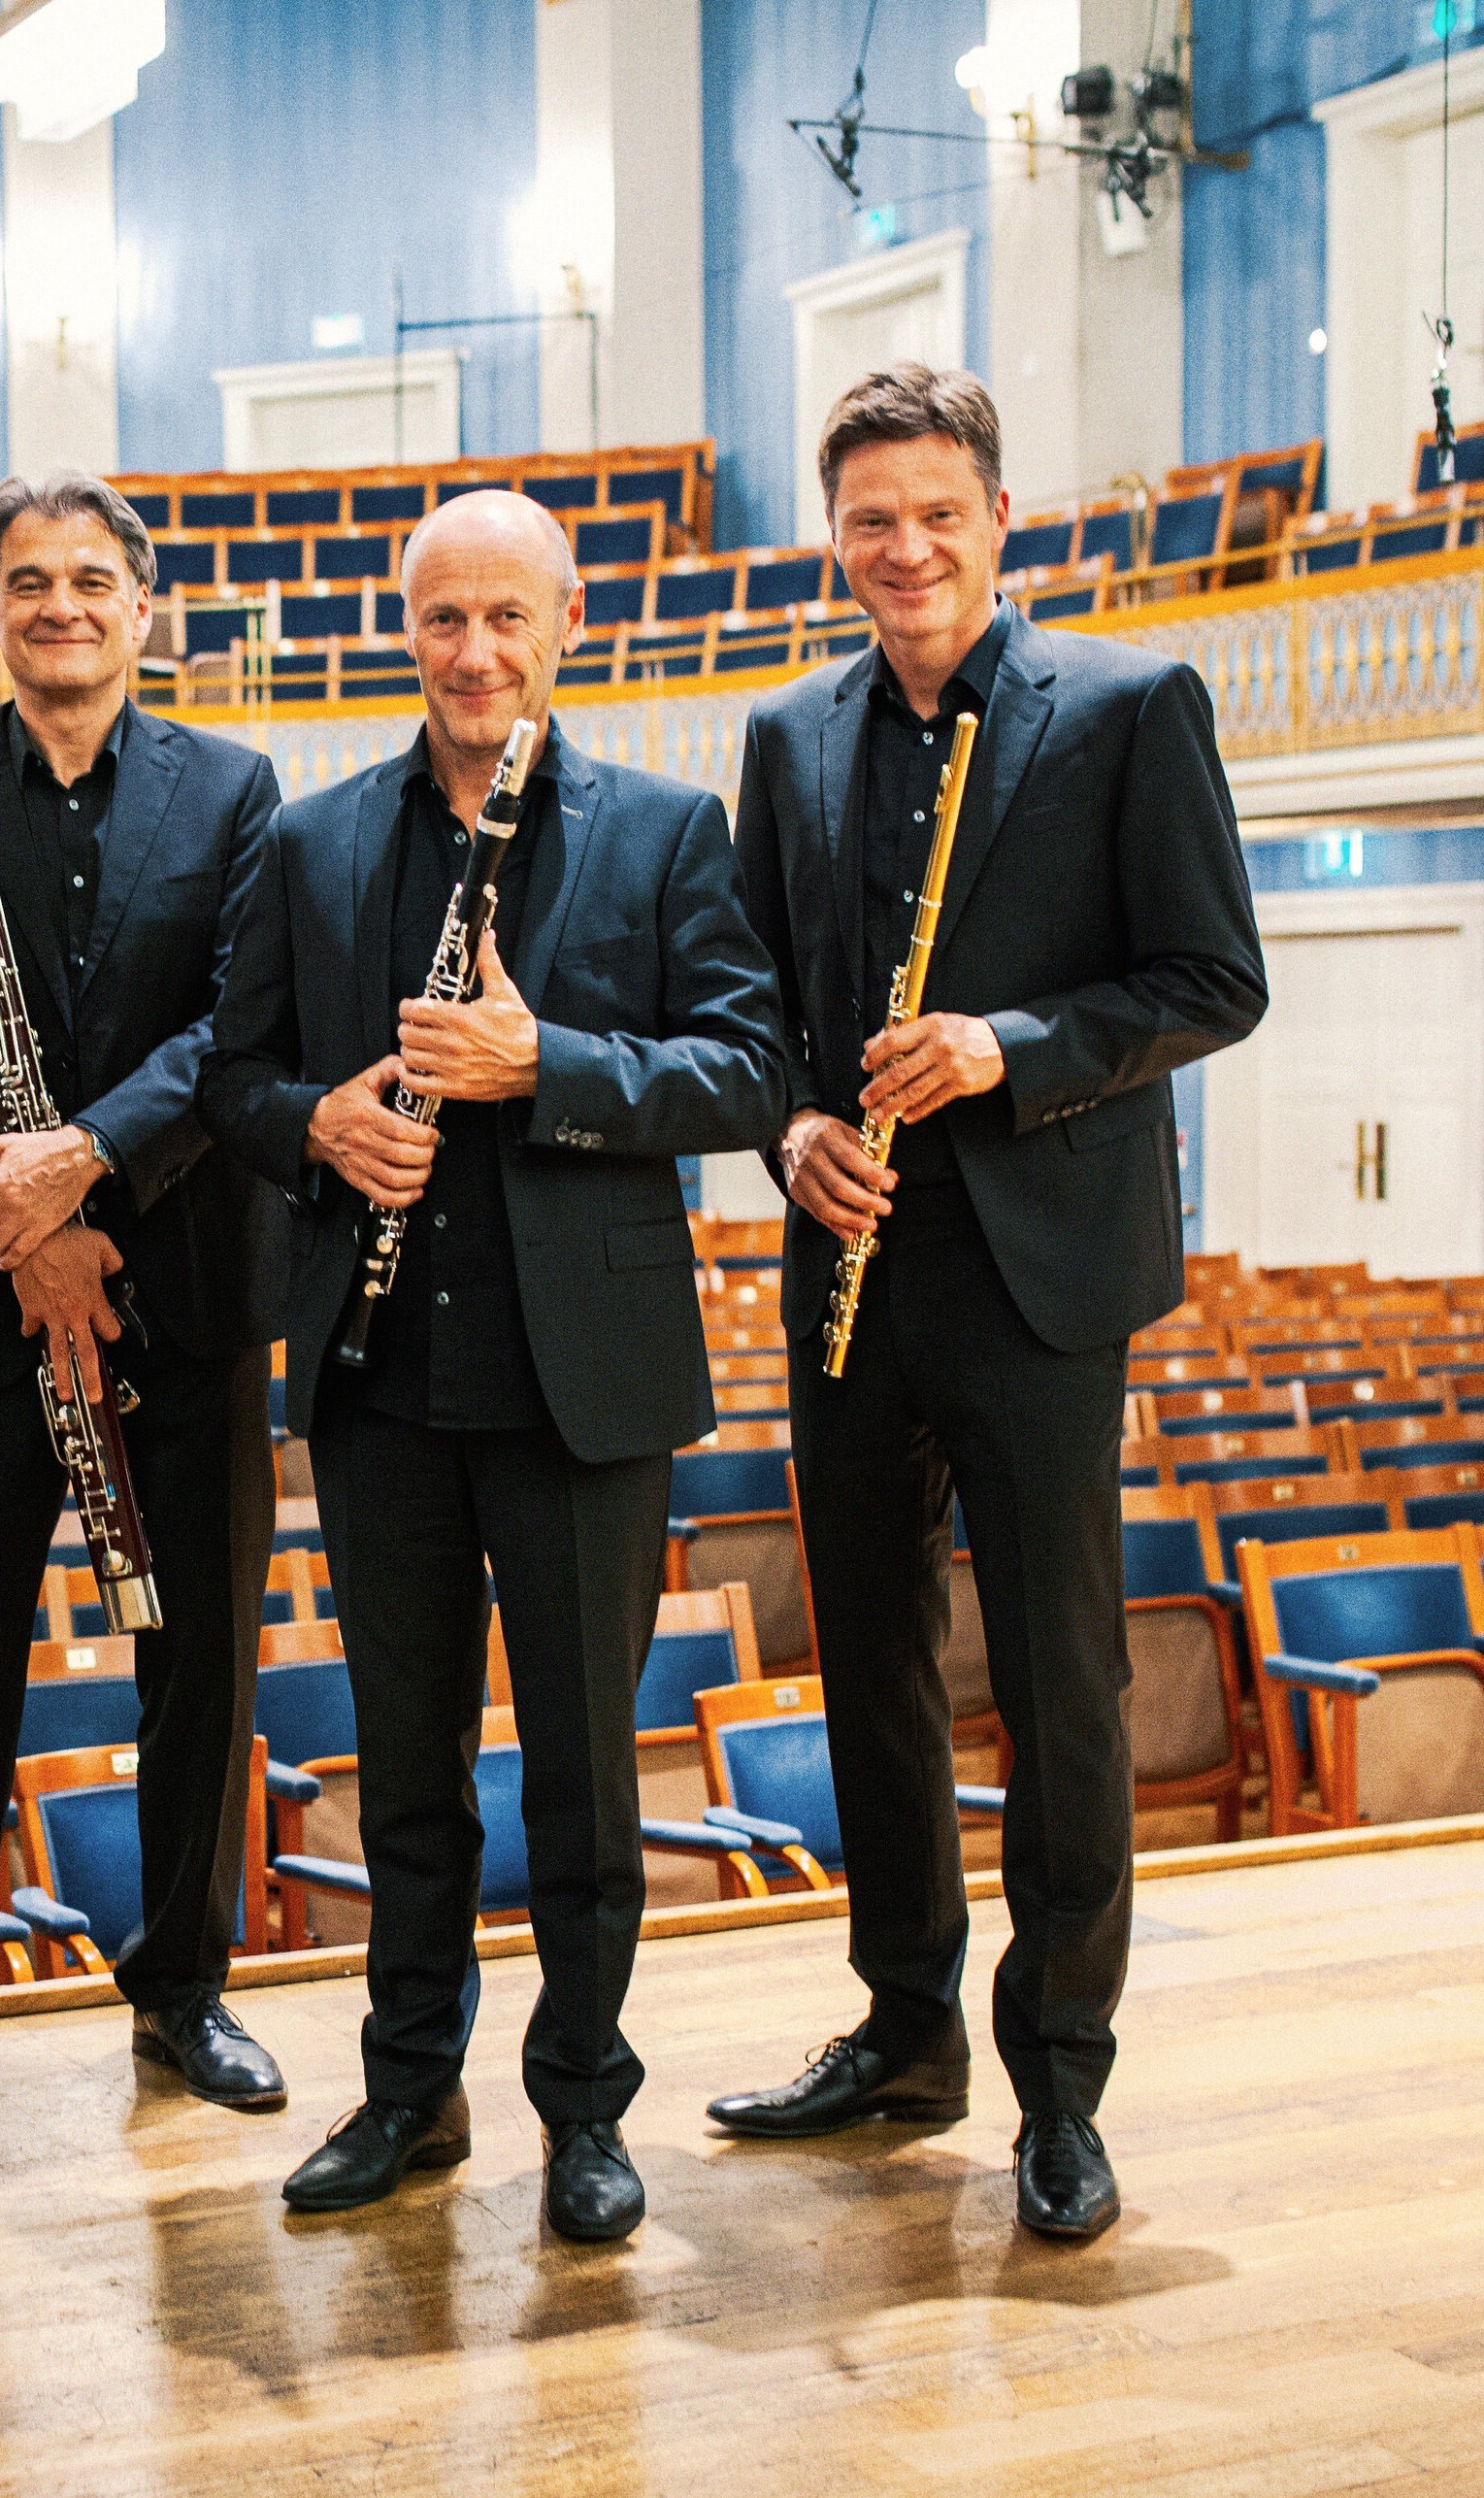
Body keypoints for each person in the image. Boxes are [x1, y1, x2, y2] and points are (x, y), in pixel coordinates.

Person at [708, 364, 1265, 2239]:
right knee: (866, 1670)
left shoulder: (1127, 706)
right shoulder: (786, 740)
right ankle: (903, 2032)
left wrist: (1009, 1047)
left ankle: (1062, 2080)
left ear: (998, 519)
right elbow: (759, 1018)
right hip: (851, 1259)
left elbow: (1211, 979)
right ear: (834, 534)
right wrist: (792, 1131)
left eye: (938, 511)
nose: (906, 547)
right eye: (871, 517)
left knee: (1057, 1683)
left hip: (1038, 1272)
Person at [200, 490, 789, 2240]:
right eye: (445, 618)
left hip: (583, 1387)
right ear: (409, 629)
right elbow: (232, 1080)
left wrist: (557, 1068)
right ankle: (407, 2099)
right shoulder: (312, 847)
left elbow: (750, 1074)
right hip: (381, 1382)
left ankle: (585, 2113)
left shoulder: (669, 832)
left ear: (564, 623)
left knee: (590, 1779)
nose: (476, 652)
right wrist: (317, 1125)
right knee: (407, 1771)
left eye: (507, 619)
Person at [0, 472, 289, 2126]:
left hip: (183, 1284)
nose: (61, 606)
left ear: (144, 608)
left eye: (93, 579)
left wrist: (86, 1169)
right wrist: (29, 1233)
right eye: (28, 582)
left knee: (201, 1656)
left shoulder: (239, 793)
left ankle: (184, 1992)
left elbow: (239, 1030)